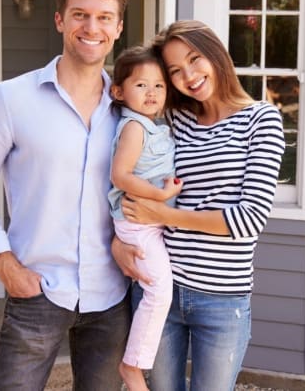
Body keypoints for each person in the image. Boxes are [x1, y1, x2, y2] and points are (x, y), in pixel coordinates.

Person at [0, 0, 132, 391]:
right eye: (80, 14)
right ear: (60, 20)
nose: (92, 27)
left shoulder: (130, 109)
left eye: (104, 17)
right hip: (37, 289)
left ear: (118, 28)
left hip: (111, 294)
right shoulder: (11, 98)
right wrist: (3, 263)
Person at [114, 20, 286, 391]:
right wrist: (119, 238)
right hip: (160, 287)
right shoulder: (175, 119)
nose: (188, 76)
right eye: (175, 71)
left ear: (216, 54)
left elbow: (249, 219)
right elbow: (127, 168)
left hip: (222, 300)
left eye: (194, 60)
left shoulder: (262, 120)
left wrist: (164, 214)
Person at [107, 46, 183, 391]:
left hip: (149, 221)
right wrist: (161, 198)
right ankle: (132, 366)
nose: (152, 93)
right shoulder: (135, 127)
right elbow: (120, 175)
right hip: (138, 220)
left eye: (159, 85)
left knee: (157, 287)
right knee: (159, 291)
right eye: (141, 86)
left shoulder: (155, 125)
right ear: (119, 92)